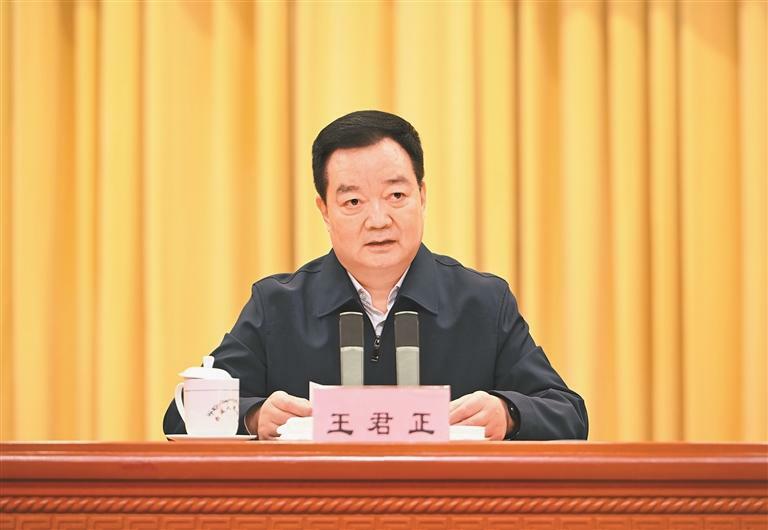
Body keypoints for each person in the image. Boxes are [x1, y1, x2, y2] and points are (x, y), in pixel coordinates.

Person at [163, 110, 588, 441]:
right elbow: (181, 417)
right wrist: (254, 416)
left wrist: (508, 414)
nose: (379, 219)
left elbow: (568, 414)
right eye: (353, 202)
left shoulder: (482, 302)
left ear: (422, 196)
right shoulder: (277, 305)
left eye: (396, 194)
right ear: (324, 210)